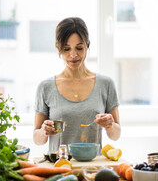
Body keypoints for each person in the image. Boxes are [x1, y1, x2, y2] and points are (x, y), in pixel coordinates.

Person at [33, 17, 121, 153]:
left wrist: (110, 125)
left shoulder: (106, 84)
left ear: (87, 45)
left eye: (79, 48)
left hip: (93, 168)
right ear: (58, 49)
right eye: (66, 49)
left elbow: (116, 135)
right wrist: (44, 131)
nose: (73, 55)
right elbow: (37, 139)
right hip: (60, 167)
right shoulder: (45, 87)